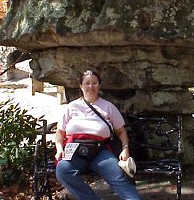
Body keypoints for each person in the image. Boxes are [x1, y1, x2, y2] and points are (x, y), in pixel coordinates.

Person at [55, 70, 141, 200]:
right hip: (75, 150)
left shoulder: (108, 107)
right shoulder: (71, 107)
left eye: (94, 83)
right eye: (87, 83)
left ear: (99, 85)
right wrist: (59, 149)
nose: (91, 86)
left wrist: (125, 149)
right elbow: (60, 132)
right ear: (81, 86)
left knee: (119, 177)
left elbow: (121, 131)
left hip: (100, 151)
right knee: (63, 170)